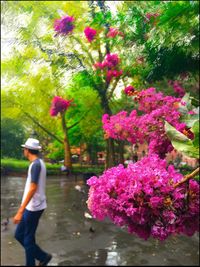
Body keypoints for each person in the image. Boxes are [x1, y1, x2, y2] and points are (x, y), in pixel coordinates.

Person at [13, 138, 52, 266]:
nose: (23, 151)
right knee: (19, 234)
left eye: (24, 149)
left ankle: (33, 262)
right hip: (33, 206)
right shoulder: (39, 163)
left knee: (28, 239)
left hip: (33, 207)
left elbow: (33, 187)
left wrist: (20, 210)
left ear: (27, 150)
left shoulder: (35, 165)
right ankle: (43, 256)